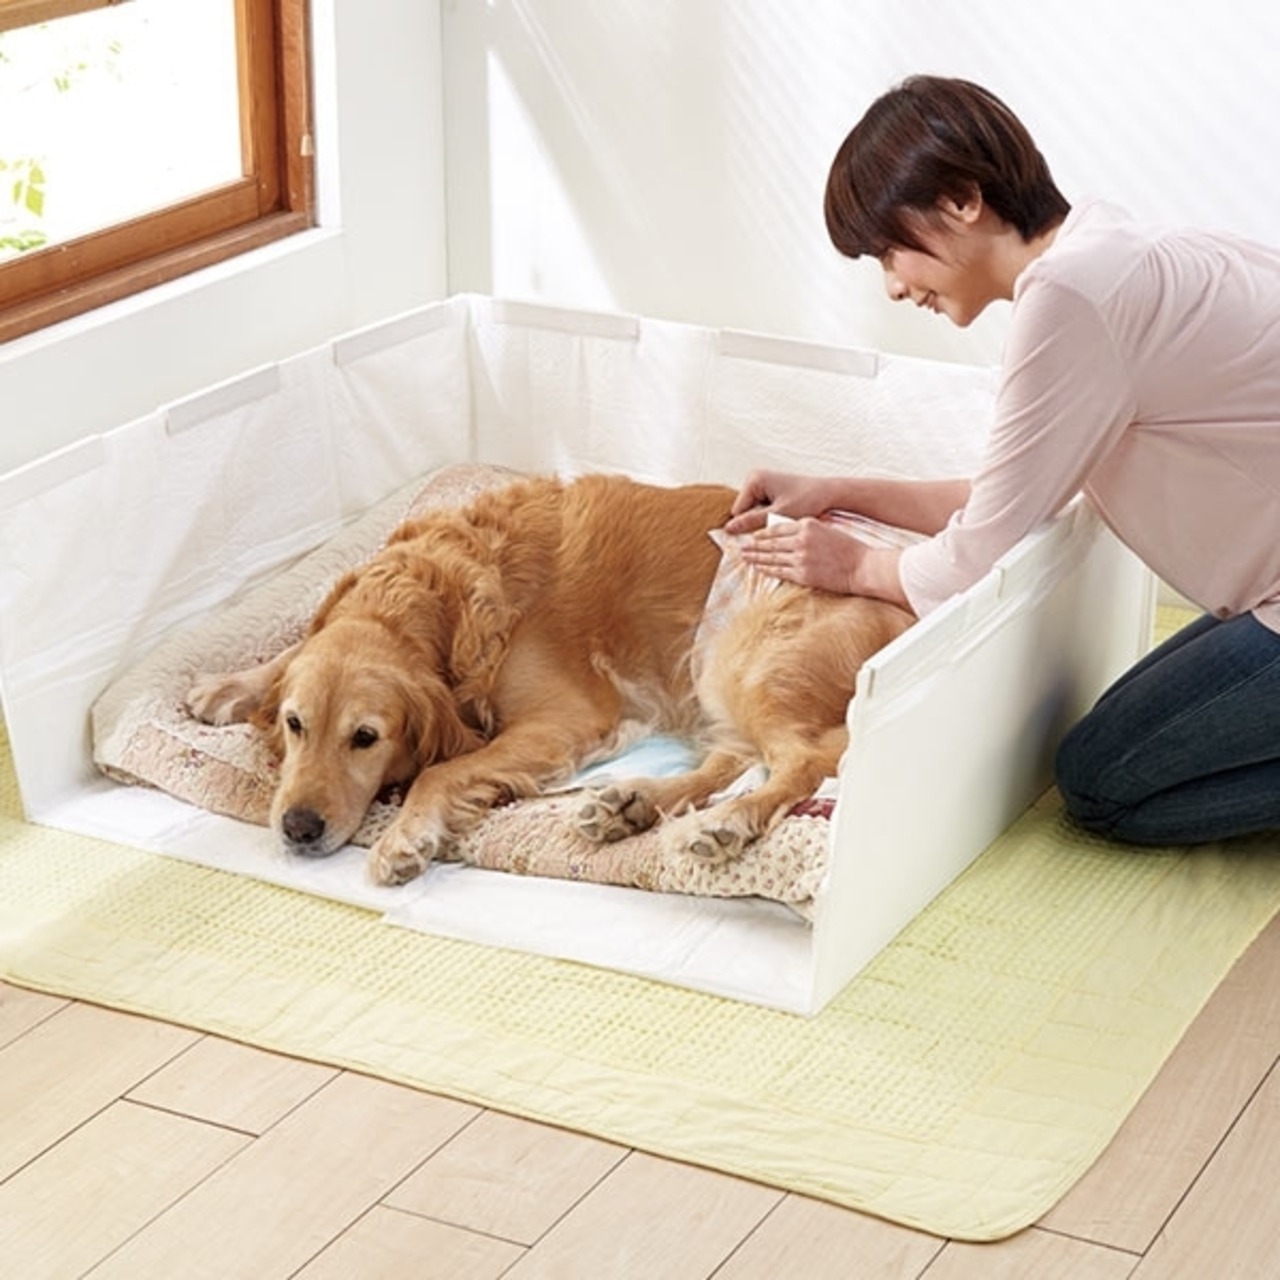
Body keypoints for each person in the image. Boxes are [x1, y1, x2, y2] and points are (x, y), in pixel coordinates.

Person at [725, 74, 1280, 847]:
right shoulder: (1112, 258)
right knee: (1111, 749)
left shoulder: (1073, 296)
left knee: (1097, 784)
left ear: (962, 200)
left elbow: (971, 558)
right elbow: (1009, 499)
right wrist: (840, 490)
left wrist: (854, 565)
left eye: (890, 250)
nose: (893, 286)